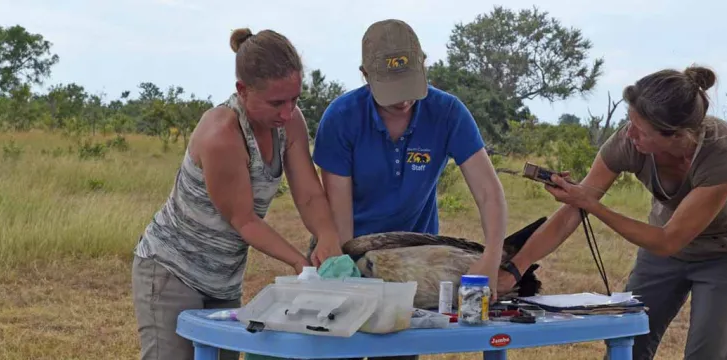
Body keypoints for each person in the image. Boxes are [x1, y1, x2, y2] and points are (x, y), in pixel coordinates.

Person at [497, 66, 727, 360]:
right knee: (628, 342)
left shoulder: (725, 154)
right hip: (661, 250)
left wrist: (593, 204)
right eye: (629, 120)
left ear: (675, 136)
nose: (629, 133)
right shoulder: (628, 140)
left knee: (709, 353)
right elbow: (574, 211)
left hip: (724, 253)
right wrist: (515, 269)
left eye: (641, 130)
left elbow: (668, 240)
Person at [131, 28, 344, 360]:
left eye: (295, 99)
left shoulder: (289, 124)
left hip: (224, 278)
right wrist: (303, 265)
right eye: (276, 102)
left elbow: (309, 196)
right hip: (172, 269)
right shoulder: (222, 134)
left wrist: (328, 236)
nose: (287, 112)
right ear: (242, 91)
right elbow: (244, 221)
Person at [311, 18, 508, 360]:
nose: (403, 100)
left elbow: (489, 193)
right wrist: (347, 277)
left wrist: (491, 258)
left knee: (398, 351)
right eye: (391, 89)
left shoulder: (448, 113)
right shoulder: (341, 118)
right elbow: (339, 217)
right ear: (365, 74)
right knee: (339, 348)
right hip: (349, 253)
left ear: (424, 66)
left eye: (409, 86)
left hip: (411, 262)